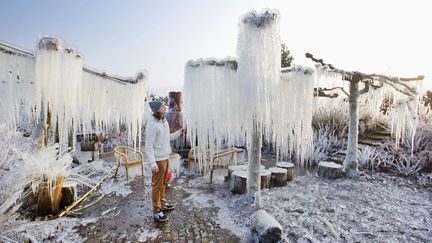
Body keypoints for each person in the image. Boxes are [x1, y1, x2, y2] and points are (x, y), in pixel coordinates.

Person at [145, 100, 185, 222]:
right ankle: (156, 210)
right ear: (157, 109)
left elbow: (169, 137)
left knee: (163, 184)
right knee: (157, 186)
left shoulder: (164, 122)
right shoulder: (152, 124)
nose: (164, 107)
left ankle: (162, 203)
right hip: (158, 160)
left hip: (165, 157)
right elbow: (148, 146)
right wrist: (153, 163)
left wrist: (179, 132)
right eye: (162, 106)